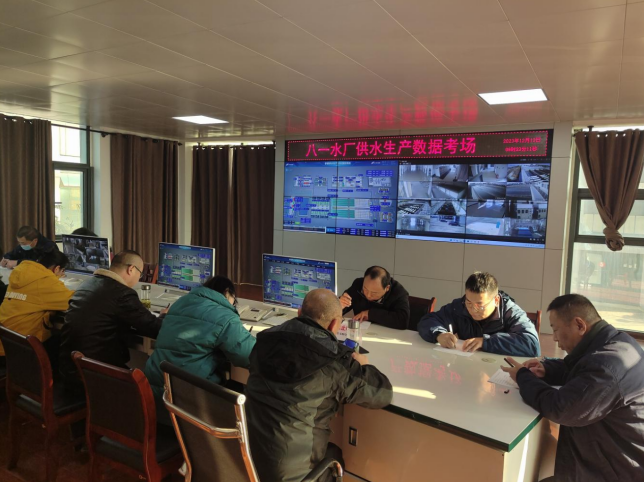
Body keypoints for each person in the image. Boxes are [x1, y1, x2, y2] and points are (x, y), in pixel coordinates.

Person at [245, 289, 393, 482]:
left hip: (245, 458)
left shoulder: (264, 340)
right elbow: (382, 393)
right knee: (336, 456)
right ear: (334, 324)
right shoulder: (334, 361)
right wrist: (365, 366)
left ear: (299, 313)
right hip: (294, 475)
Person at [502, 294, 644, 482]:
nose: (554, 338)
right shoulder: (615, 342)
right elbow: (579, 368)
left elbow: (560, 408)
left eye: (555, 329)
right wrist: (547, 369)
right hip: (608, 453)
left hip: (616, 469)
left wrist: (523, 377)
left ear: (579, 325)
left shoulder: (607, 367)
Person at [144, 275, 255, 423]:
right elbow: (249, 355)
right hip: (191, 403)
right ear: (227, 292)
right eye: (234, 301)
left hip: (156, 397)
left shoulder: (180, 303)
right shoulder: (224, 316)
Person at [59, 250, 167, 388]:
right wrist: (164, 315)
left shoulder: (87, 284)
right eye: (140, 274)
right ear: (131, 269)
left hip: (69, 367)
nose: (138, 279)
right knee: (148, 386)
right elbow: (154, 328)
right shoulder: (122, 293)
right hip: (94, 374)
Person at [418, 272, 540, 356]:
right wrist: (439, 334)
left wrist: (485, 342)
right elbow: (428, 320)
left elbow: (531, 344)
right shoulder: (460, 306)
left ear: (496, 300)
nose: (473, 309)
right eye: (469, 302)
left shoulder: (510, 312)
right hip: (466, 368)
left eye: (480, 305)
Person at [0, 250, 72, 368]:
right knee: (63, 341)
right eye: (62, 272)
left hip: (6, 340)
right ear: (57, 269)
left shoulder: (20, 273)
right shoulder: (46, 281)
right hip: (20, 349)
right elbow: (73, 302)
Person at [339, 266, 410, 330]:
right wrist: (339, 305)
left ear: (387, 288)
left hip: (386, 333)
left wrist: (370, 314)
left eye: (374, 293)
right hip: (361, 331)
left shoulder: (398, 292)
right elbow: (343, 306)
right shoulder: (358, 284)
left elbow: (403, 321)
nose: (368, 295)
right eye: (365, 289)